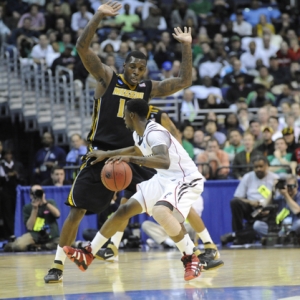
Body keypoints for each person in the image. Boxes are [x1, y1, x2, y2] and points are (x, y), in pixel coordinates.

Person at [44, 0, 196, 284]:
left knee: (166, 202)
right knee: (77, 210)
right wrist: (98, 16)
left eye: (142, 68)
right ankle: (58, 264)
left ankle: (196, 253)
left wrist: (186, 45)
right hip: (102, 154)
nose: (137, 71)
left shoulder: (148, 89)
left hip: (136, 155)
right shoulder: (107, 78)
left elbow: (184, 80)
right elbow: (82, 48)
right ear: (124, 65)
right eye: (133, 66)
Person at [63, 99, 206, 281]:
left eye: (124, 115)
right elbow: (137, 150)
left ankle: (191, 258)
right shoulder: (139, 133)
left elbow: (164, 160)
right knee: (124, 210)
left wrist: (129, 160)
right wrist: (107, 154)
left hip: (185, 178)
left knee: (160, 211)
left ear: (131, 115)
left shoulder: (155, 132)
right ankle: (88, 254)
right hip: (164, 179)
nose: (123, 118)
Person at [97, 108, 223, 271]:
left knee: (182, 210)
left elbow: (175, 136)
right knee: (126, 204)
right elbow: (135, 148)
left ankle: (208, 245)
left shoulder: (157, 115)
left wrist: (174, 160)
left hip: (163, 166)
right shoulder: (128, 114)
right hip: (141, 163)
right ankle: (113, 247)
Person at [221, 155, 278, 246]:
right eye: (256, 167)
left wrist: (267, 208)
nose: (258, 169)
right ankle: (238, 231)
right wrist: (250, 202)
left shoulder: (274, 178)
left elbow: (279, 198)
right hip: (252, 208)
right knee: (235, 202)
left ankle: (237, 237)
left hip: (269, 209)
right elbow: (238, 197)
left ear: (266, 166)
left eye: (261, 166)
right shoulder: (247, 177)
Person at [4, 185, 60, 252]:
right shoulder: (27, 207)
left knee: (69, 243)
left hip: (51, 235)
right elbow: (29, 227)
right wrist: (34, 209)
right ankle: (12, 243)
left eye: (40, 192)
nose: (38, 194)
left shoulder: (50, 202)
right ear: (31, 195)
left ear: (44, 193)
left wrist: (45, 203)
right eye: (35, 193)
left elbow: (57, 215)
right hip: (34, 235)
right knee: (18, 246)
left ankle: (39, 246)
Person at [253, 175, 300, 240]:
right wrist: (273, 190)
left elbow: (297, 210)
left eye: (291, 186)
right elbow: (265, 205)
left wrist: (286, 195)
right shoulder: (280, 198)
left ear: (297, 186)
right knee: (257, 225)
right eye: (287, 186)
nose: (289, 189)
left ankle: (285, 237)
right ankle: (280, 238)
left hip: (293, 227)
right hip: (280, 228)